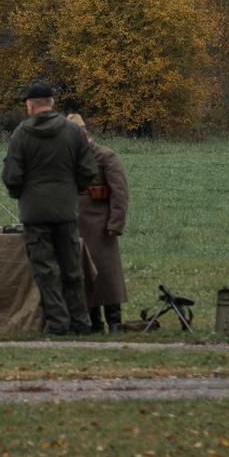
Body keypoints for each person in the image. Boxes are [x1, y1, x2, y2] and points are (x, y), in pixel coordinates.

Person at [3, 82, 101, 336]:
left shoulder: (21, 134)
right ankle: (80, 322)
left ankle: (57, 323)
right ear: (52, 103)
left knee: (44, 270)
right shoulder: (72, 131)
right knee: (72, 269)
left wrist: (22, 195)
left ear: (30, 105)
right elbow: (89, 170)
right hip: (66, 210)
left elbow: (12, 176)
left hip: (34, 213)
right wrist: (73, 190)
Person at [69, 113, 130, 331]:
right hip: (76, 225)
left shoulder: (106, 156)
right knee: (85, 276)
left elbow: (120, 193)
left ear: (85, 133)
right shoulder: (68, 159)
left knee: (108, 275)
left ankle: (114, 321)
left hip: (102, 226)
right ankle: (93, 322)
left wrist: (115, 223)